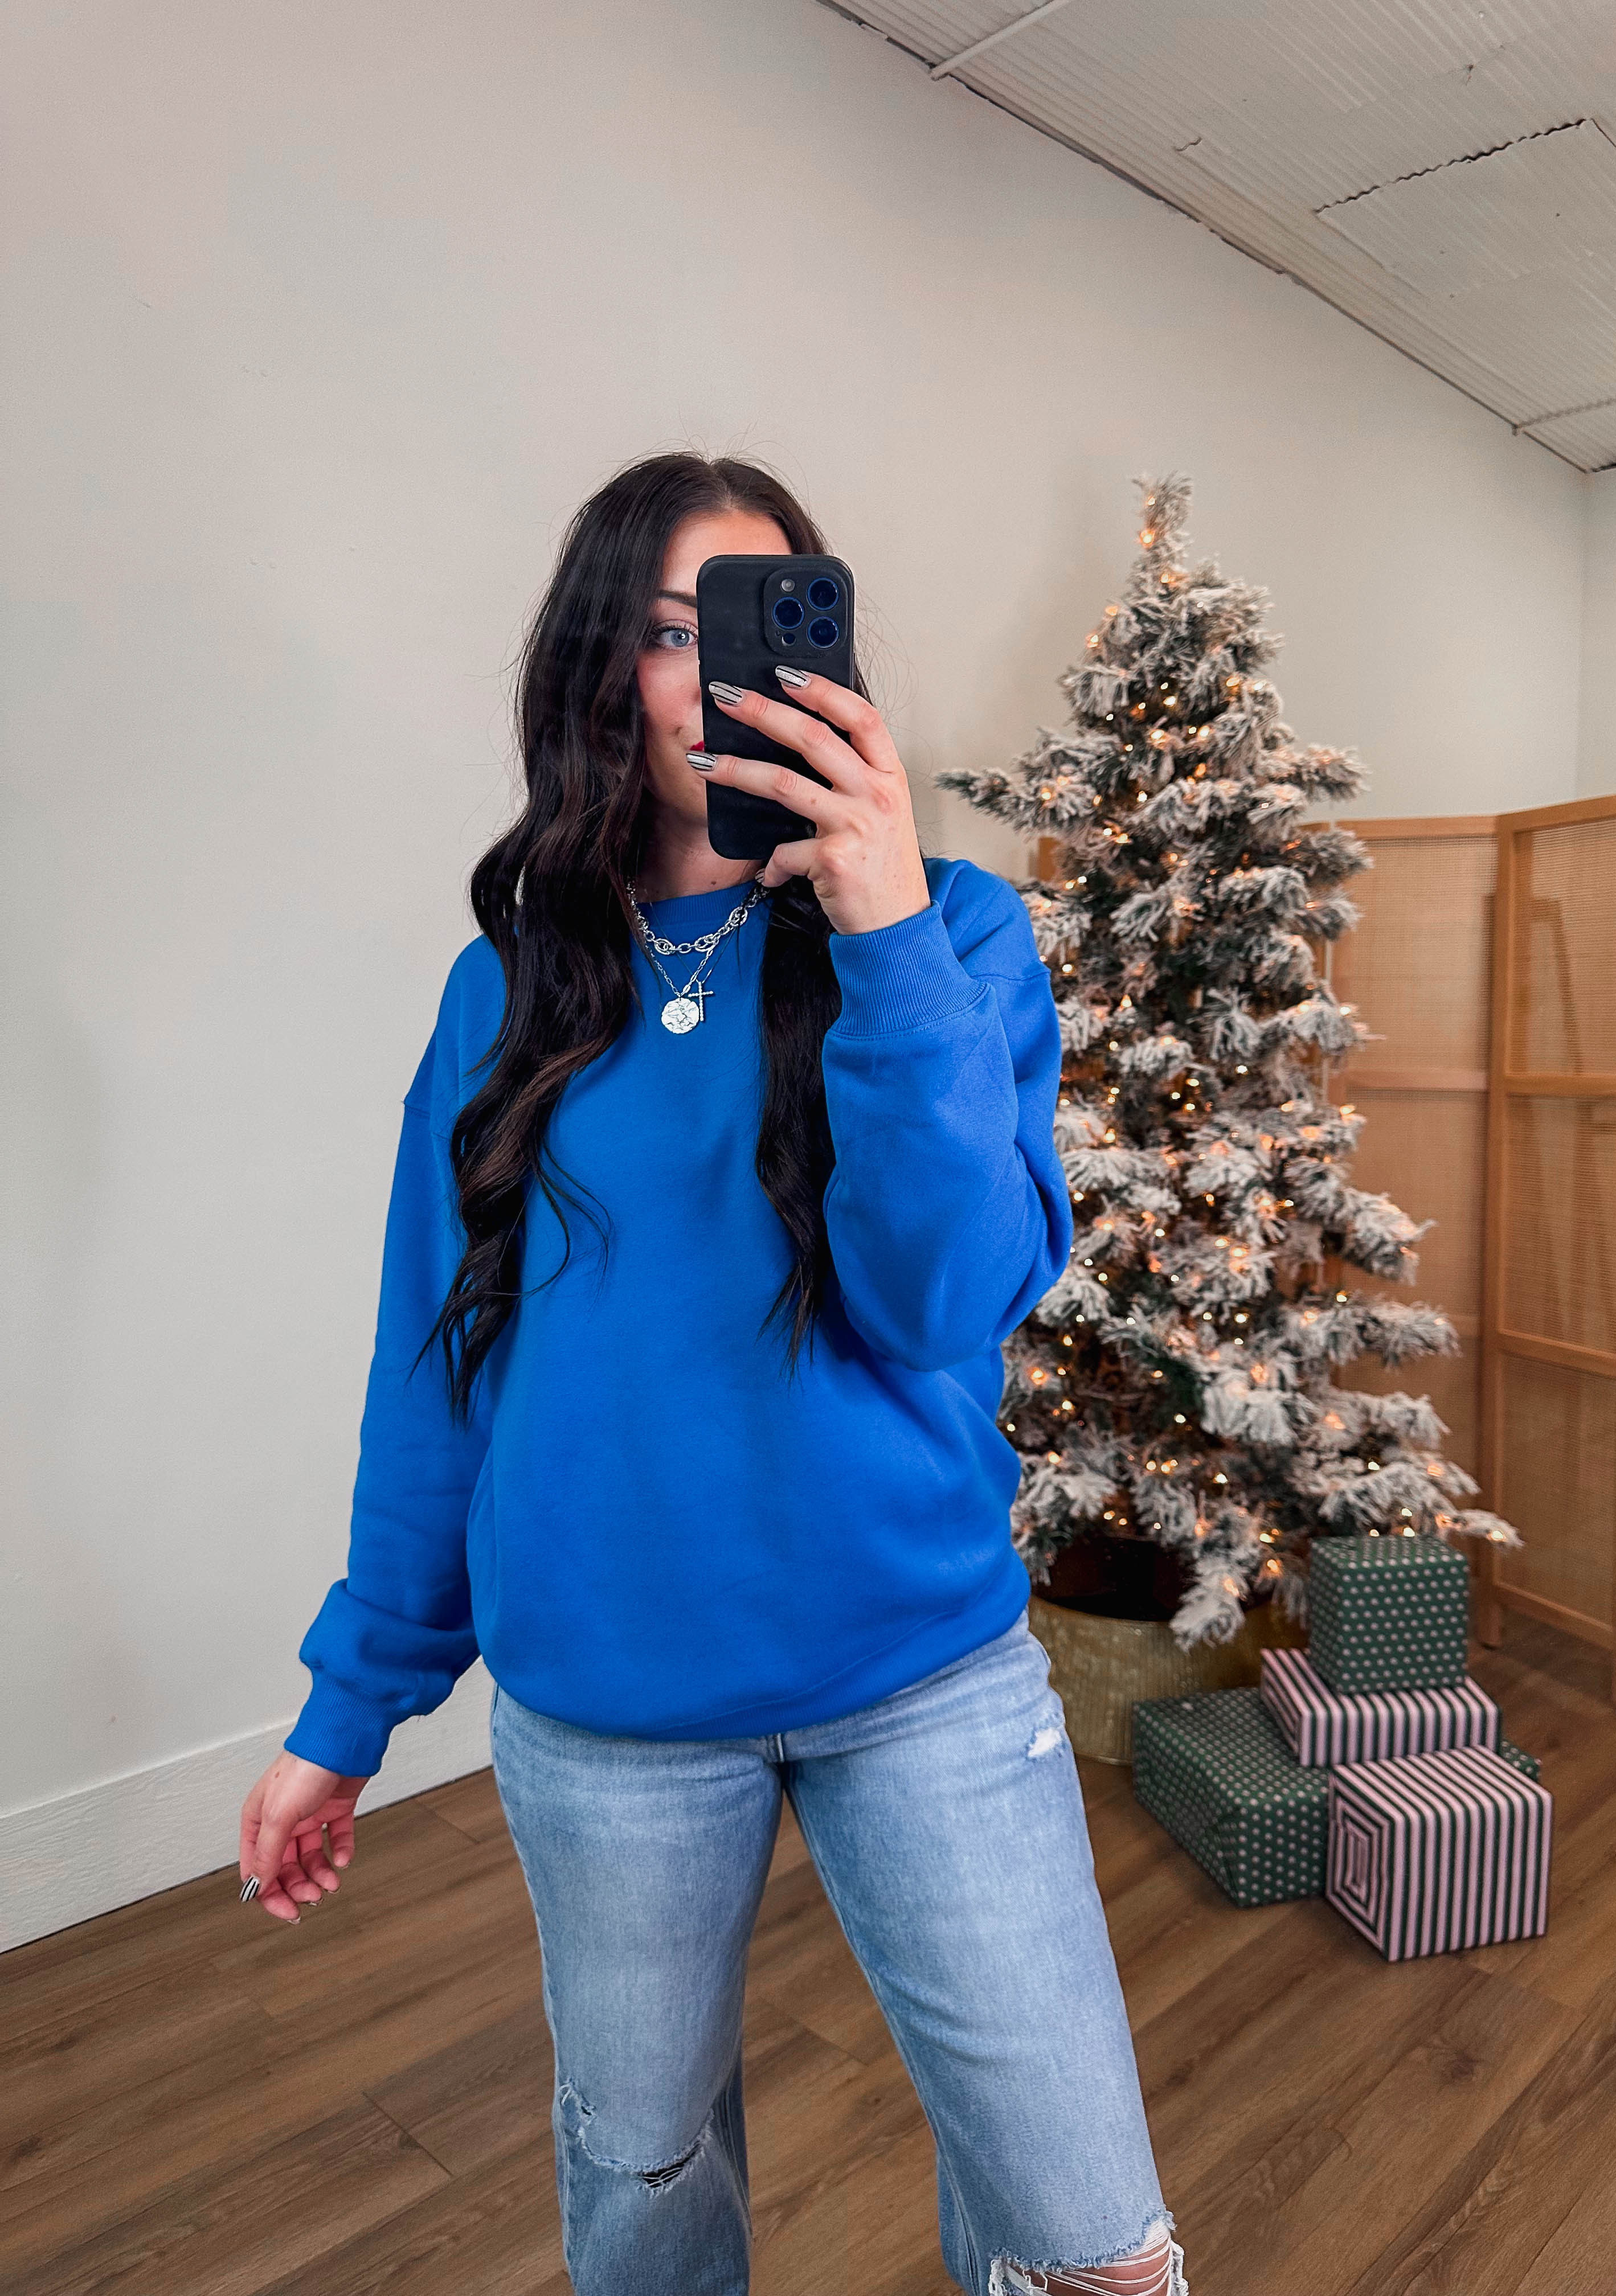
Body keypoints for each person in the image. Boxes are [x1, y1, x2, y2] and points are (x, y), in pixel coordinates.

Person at [237, 452, 1185, 2296]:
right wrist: (349, 1707)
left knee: (1095, 2243)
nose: (719, 673)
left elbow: (945, 1300)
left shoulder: (955, 932)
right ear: (605, 665)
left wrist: (884, 927)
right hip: (609, 1712)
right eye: (673, 631)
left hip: (922, 1673)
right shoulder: (506, 985)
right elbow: (436, 1369)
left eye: (761, 623)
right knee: (647, 2183)